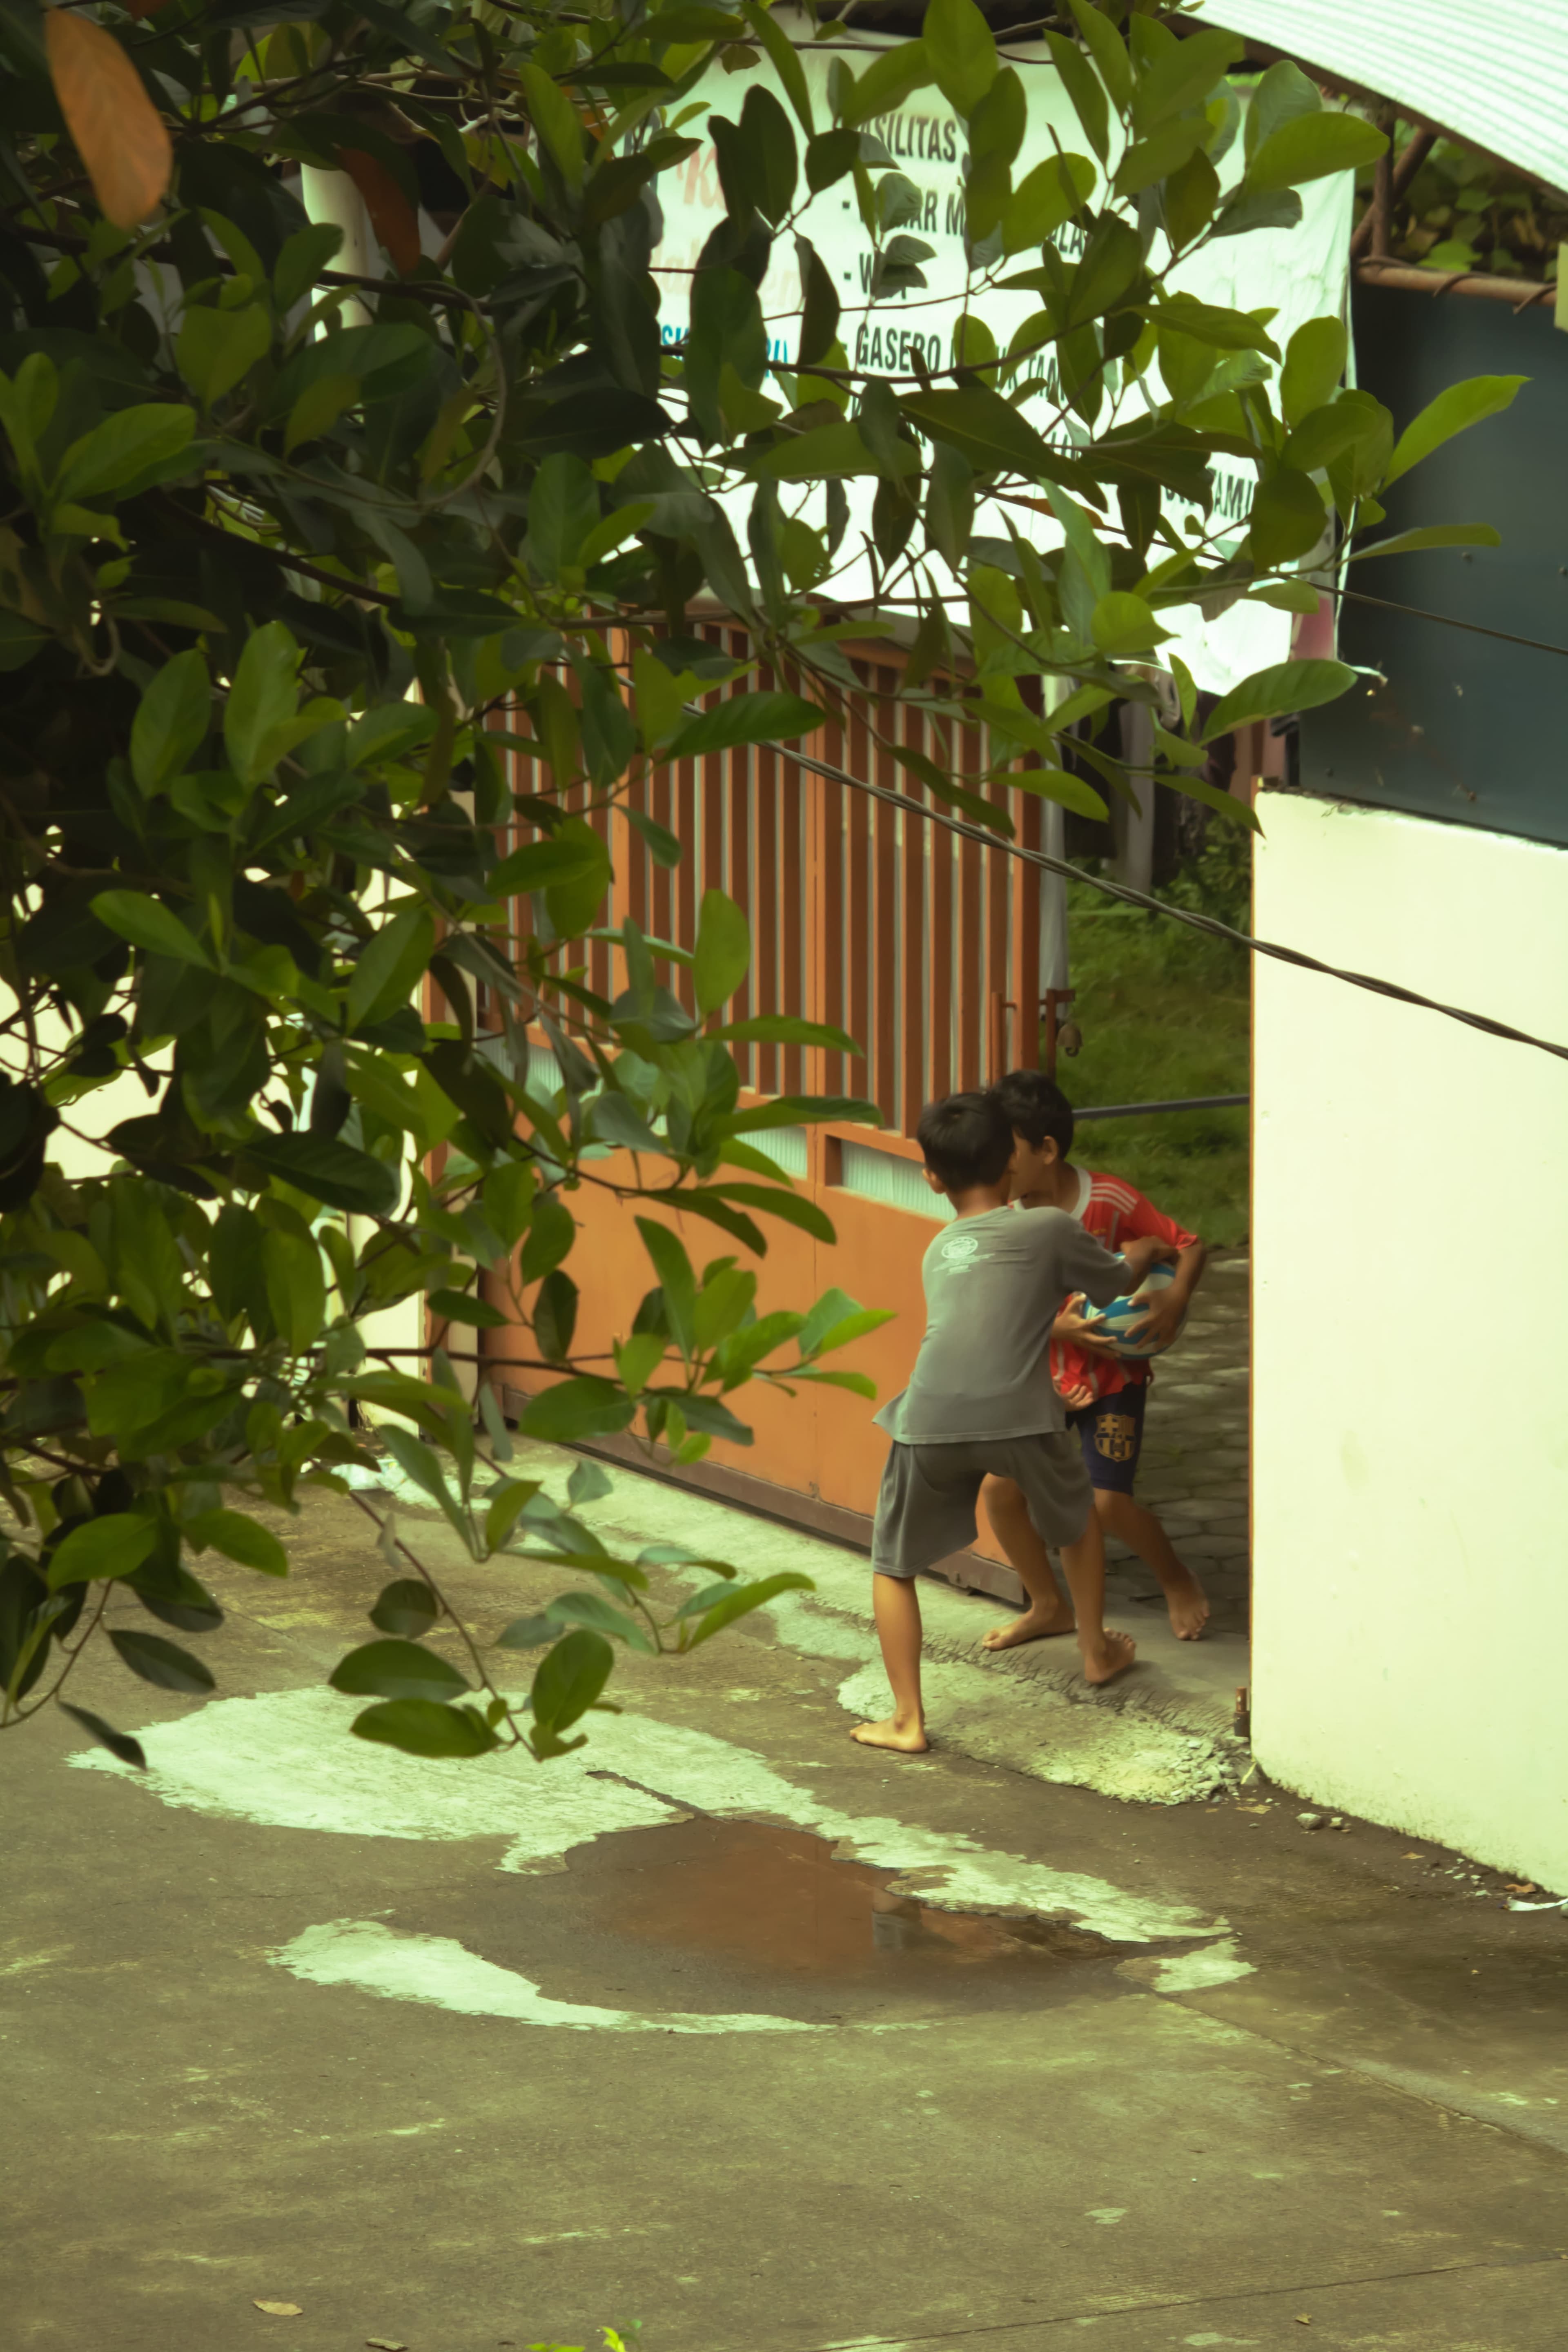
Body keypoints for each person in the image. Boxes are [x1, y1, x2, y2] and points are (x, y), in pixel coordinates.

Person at [851, 1090, 1177, 1756]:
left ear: (932, 1178)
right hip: (1022, 1417)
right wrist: (1143, 1255)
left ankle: (908, 1719)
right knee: (1078, 1515)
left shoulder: (938, 1250)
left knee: (892, 1566)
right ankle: (1096, 1648)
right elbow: (1114, 1284)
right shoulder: (1049, 1227)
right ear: (1012, 1163)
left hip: (929, 1417)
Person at [982, 1069, 1212, 1642]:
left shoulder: (1107, 1200)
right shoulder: (1004, 1220)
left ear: (1048, 1150)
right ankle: (1046, 1604)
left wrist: (1175, 1297)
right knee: (999, 1490)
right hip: (1047, 1377)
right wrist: (1058, 1330)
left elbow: (1187, 1244)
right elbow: (1000, 1313)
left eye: (1003, 1152)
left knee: (1107, 1503)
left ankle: (1176, 1577)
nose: (994, 1166)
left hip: (1114, 1378)